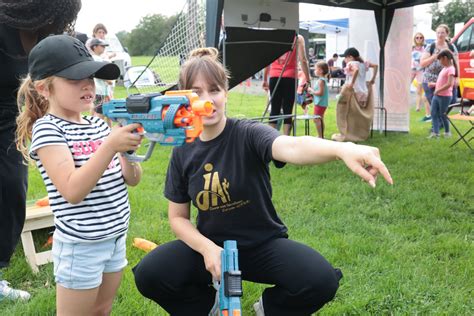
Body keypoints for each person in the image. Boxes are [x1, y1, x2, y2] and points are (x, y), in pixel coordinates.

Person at [133, 47, 393, 315]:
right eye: (196, 92)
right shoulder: (182, 150)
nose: (207, 99)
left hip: (261, 245)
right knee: (150, 273)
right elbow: (178, 218)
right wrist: (207, 248)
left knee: (320, 280)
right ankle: (205, 306)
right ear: (184, 98)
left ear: (225, 93)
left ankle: (268, 308)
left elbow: (292, 146)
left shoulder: (248, 133)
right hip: (210, 248)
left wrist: (341, 149)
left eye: (214, 90)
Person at [15, 35, 143, 314]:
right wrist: (111, 146)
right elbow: (72, 190)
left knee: (102, 309)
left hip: (115, 237)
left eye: (91, 76)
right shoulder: (48, 129)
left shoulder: (97, 124)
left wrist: (128, 153)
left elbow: (132, 180)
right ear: (44, 88)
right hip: (81, 247)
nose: (87, 84)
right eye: (74, 79)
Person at [0, 0, 81, 301]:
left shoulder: (48, 38)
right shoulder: (3, 26)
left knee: (12, 190)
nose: (58, 26)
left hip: (9, 118)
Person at [263, 34, 311, 135]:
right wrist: (308, 78)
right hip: (291, 77)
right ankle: (286, 138)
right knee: (288, 110)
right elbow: (303, 60)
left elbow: (267, 59)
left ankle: (270, 139)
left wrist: (265, 79)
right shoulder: (298, 38)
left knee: (274, 110)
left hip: (275, 76)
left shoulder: (274, 36)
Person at [420, 24, 459, 124]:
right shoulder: (431, 46)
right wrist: (434, 57)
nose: (440, 35)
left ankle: (440, 120)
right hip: (430, 79)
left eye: (442, 32)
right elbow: (422, 63)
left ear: (447, 34)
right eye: (438, 32)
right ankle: (437, 126)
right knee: (435, 103)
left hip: (447, 77)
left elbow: (456, 63)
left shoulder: (451, 47)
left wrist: (457, 77)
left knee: (453, 99)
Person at [427, 50, 456, 138]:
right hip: (437, 95)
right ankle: (436, 133)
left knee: (443, 114)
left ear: (445, 58)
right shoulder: (444, 68)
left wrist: (438, 90)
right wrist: (434, 84)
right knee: (433, 113)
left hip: (445, 96)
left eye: (440, 60)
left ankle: (447, 132)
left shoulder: (451, 69)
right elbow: (442, 82)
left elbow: (449, 84)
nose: (440, 62)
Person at [89, 38, 113, 124]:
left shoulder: (96, 58)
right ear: (95, 47)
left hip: (100, 90)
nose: (104, 48)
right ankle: (98, 130)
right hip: (100, 90)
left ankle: (94, 127)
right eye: (102, 46)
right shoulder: (96, 59)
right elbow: (98, 73)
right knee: (100, 113)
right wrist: (108, 80)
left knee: (97, 110)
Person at [307, 61, 329, 138]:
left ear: (321, 71)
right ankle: (321, 135)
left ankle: (320, 136)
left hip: (320, 103)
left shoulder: (321, 81)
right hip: (322, 103)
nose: (314, 70)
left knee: (316, 119)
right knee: (320, 119)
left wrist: (312, 91)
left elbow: (320, 93)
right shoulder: (322, 79)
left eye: (316, 69)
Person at [411, 32, 430, 116]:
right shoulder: (411, 48)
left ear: (423, 38)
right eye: (417, 37)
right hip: (411, 69)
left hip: (421, 70)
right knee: (405, 86)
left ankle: (417, 107)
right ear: (414, 39)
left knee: (419, 89)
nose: (419, 39)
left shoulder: (425, 48)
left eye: (420, 37)